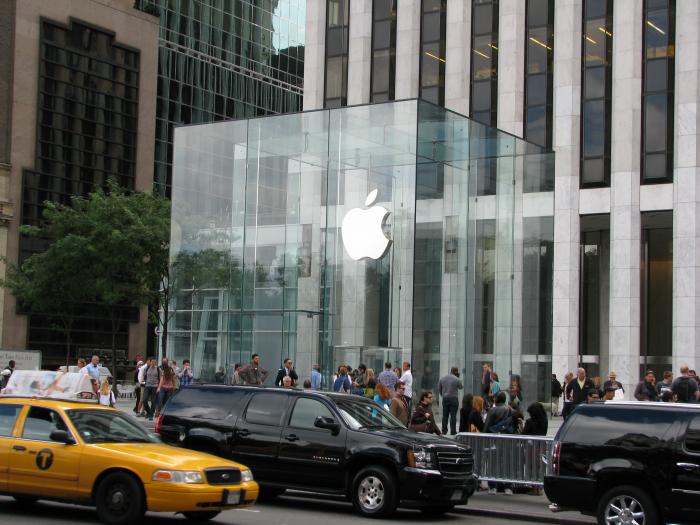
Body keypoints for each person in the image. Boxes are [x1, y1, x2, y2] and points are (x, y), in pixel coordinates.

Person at [484, 392, 514, 495]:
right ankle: (508, 487)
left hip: (494, 439)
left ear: (496, 399)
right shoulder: (510, 410)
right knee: (507, 462)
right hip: (507, 440)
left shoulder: (492, 410)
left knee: (493, 462)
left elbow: (487, 425)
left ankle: (493, 486)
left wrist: (484, 436)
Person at [438, 367, 463, 435]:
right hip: (453, 399)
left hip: (445, 398)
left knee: (445, 415)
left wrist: (443, 395)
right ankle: (453, 431)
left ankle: (444, 431)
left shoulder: (443, 378)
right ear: (456, 372)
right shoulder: (456, 379)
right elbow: (461, 387)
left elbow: (439, 389)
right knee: (453, 416)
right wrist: (458, 378)